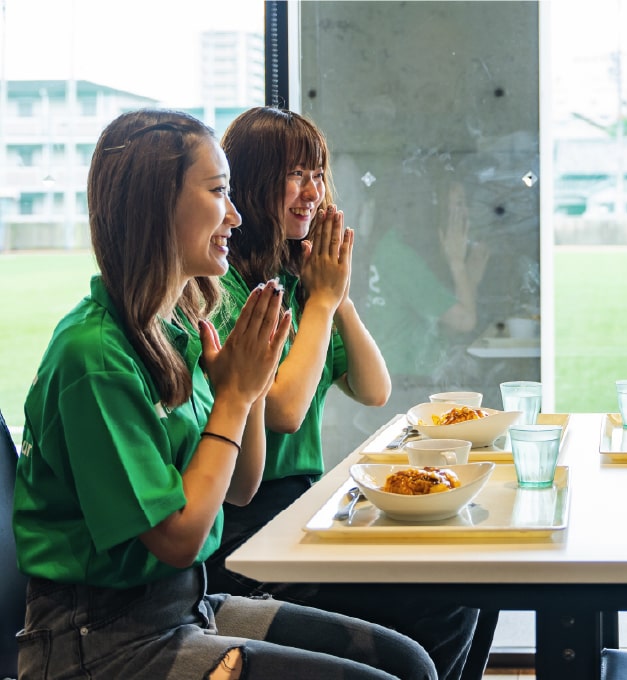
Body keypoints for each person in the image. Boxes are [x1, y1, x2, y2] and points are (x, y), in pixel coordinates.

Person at [12, 108, 437, 680]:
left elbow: (241, 485)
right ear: (157, 205)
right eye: (218, 192)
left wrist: (250, 388)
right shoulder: (94, 355)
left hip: (185, 607)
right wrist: (236, 397)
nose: (233, 215)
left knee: (406, 662)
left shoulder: (176, 326)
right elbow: (181, 538)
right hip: (104, 640)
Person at [204, 106, 485, 680]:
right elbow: (283, 410)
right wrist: (324, 302)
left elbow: (374, 387)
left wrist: (338, 296)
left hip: (299, 510)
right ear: (253, 183)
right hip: (244, 532)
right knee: (444, 600)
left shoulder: (296, 284)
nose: (313, 192)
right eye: (296, 175)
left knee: (465, 582)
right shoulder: (228, 288)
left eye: (319, 175)